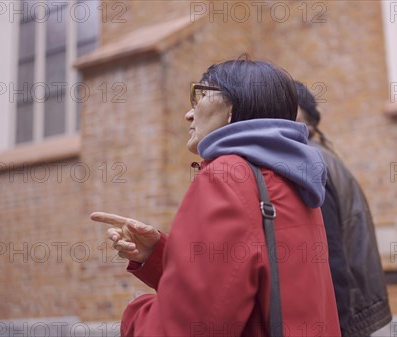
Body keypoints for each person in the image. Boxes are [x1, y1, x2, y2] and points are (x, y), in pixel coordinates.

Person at [90, 58, 341, 337]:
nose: (188, 113)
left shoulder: (226, 176)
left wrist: (134, 314)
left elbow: (189, 328)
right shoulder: (294, 179)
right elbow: (250, 286)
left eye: (201, 95)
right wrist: (158, 255)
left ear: (233, 108)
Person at [294, 81, 392, 337]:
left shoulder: (309, 160)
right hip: (353, 308)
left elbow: (330, 253)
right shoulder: (323, 154)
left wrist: (337, 324)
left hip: (343, 315)